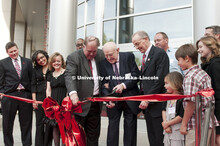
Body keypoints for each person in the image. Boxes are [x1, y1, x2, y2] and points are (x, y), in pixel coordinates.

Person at [65, 36, 105, 146]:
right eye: (89, 51)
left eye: (94, 51)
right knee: (76, 137)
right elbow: (70, 76)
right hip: (79, 103)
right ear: (83, 46)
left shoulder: (101, 54)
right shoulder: (74, 57)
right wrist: (73, 93)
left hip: (96, 103)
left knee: (93, 136)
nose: (92, 54)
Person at [175, 44, 218, 146]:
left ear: (187, 58)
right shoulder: (203, 73)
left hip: (197, 124)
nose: (178, 63)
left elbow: (191, 102)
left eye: (179, 60)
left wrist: (184, 124)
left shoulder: (191, 77)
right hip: (208, 122)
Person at [132, 31, 169, 146]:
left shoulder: (159, 54)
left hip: (156, 104)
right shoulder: (144, 57)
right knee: (152, 138)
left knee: (159, 138)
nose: (137, 47)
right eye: (135, 45)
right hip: (147, 106)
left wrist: (147, 98)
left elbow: (159, 80)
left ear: (146, 39)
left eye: (138, 44)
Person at [100, 42, 140, 146]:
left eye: (111, 54)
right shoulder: (103, 63)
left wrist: (123, 85)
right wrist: (108, 99)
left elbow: (136, 75)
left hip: (129, 98)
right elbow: (104, 84)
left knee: (130, 128)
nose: (108, 58)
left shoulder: (128, 57)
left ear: (117, 50)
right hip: (114, 101)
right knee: (112, 129)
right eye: (106, 55)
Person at [0, 42, 33, 146]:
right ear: (7, 52)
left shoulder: (27, 62)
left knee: (26, 124)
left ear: (18, 49)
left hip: (25, 95)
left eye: (15, 50)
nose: (14, 53)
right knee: (7, 124)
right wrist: (1, 93)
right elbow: (0, 80)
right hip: (10, 96)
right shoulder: (2, 63)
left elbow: (32, 79)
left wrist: (32, 96)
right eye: (11, 52)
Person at [196, 36, 220, 146]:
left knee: (217, 139)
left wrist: (218, 116)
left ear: (210, 46)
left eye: (201, 47)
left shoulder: (215, 64)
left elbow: (218, 90)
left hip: (217, 111)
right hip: (212, 110)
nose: (198, 50)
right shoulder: (208, 64)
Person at [31, 50, 52, 146]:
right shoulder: (35, 70)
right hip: (39, 97)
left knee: (49, 122)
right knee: (39, 123)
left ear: (46, 56)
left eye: (42, 57)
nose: (41, 60)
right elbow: (33, 85)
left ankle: (47, 144)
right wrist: (34, 100)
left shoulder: (52, 67)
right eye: (38, 59)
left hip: (50, 97)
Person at [46, 52, 67, 146]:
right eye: (54, 61)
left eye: (58, 61)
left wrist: (67, 102)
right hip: (54, 103)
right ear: (51, 63)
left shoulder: (67, 73)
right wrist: (49, 103)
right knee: (55, 126)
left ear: (62, 62)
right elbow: (48, 90)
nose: (56, 63)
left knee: (64, 126)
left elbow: (69, 88)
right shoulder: (50, 74)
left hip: (64, 102)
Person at [162, 72, 184, 146]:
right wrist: (165, 123)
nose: (165, 86)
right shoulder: (167, 96)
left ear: (175, 83)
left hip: (177, 132)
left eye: (167, 83)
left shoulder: (181, 99)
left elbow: (181, 116)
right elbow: (163, 110)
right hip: (167, 130)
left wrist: (167, 124)